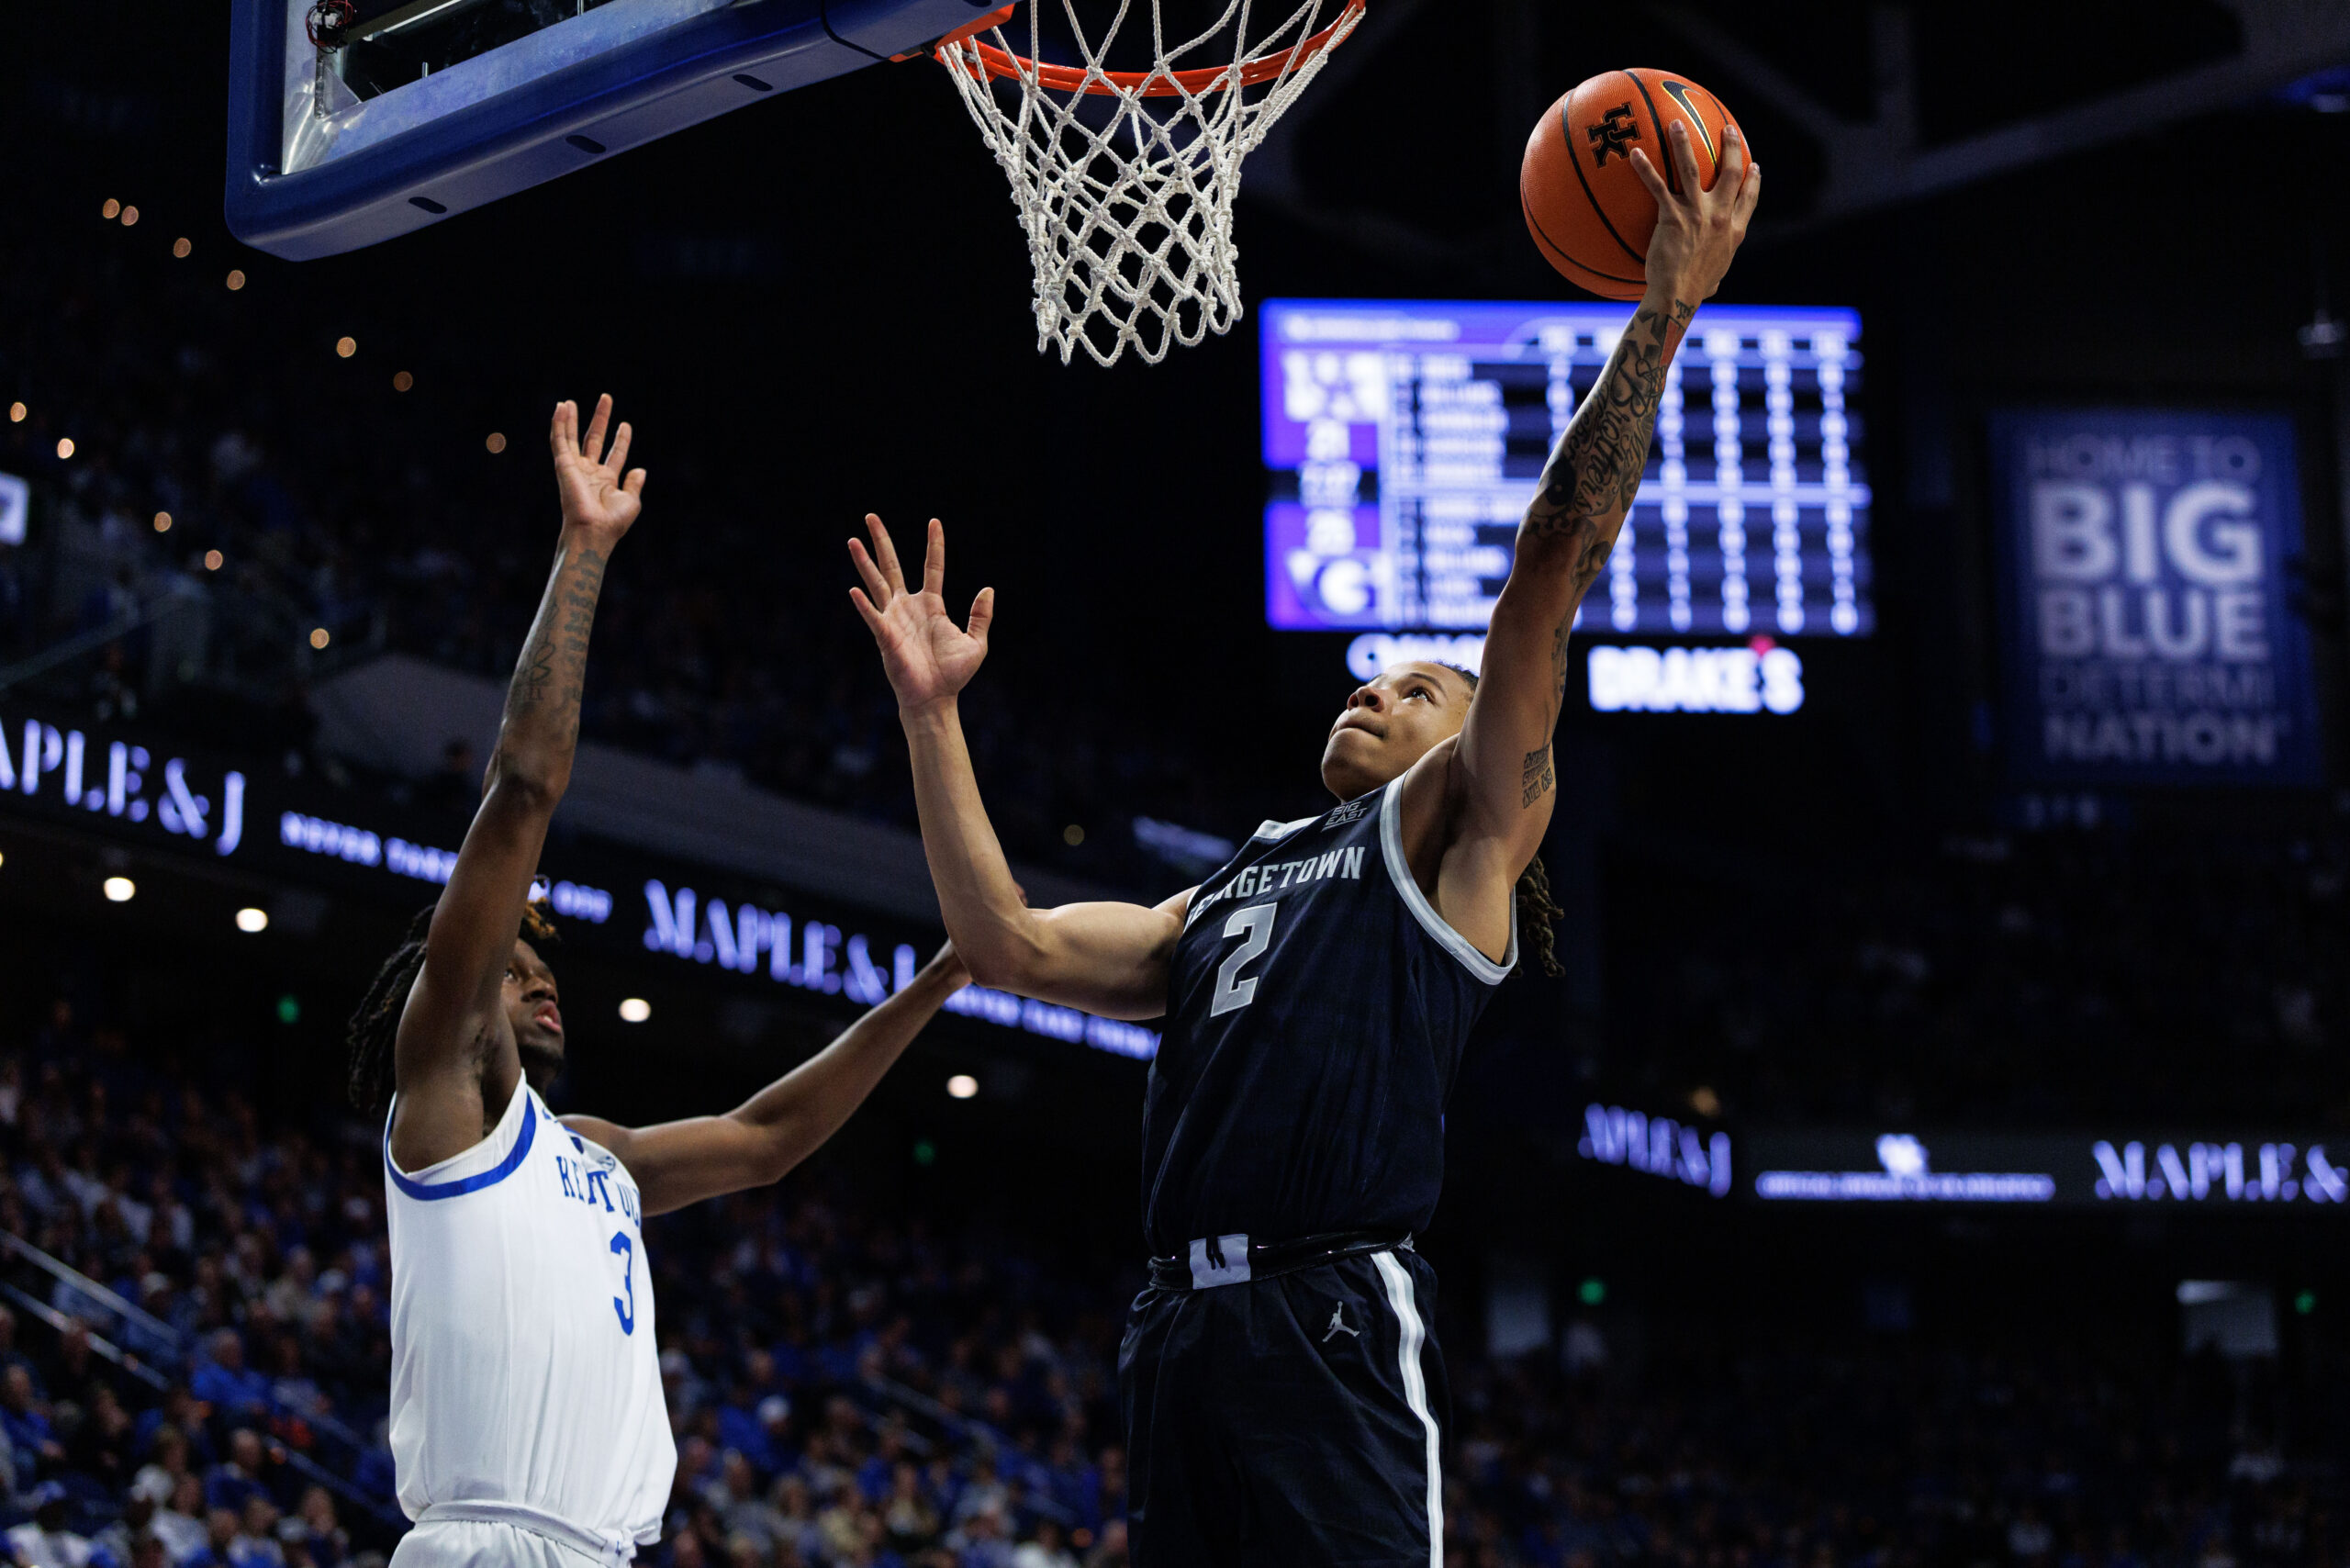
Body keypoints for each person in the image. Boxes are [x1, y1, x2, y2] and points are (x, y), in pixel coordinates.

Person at [848, 123, 1758, 1567]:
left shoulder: (1459, 841)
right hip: (1176, 1328)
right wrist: (929, 716)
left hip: (1329, 1312)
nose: (1375, 689)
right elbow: (1002, 943)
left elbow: (1546, 571)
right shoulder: (1232, 883)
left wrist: (1662, 313)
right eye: (1372, 676)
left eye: (1420, 689)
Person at [345, 397, 972, 1568]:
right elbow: (524, 788)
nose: (545, 985)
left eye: (547, 967)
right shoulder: (440, 1097)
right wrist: (583, 553)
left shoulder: (595, 1156)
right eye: (513, 965)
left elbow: (766, 1136)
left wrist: (940, 978)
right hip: (488, 1545)